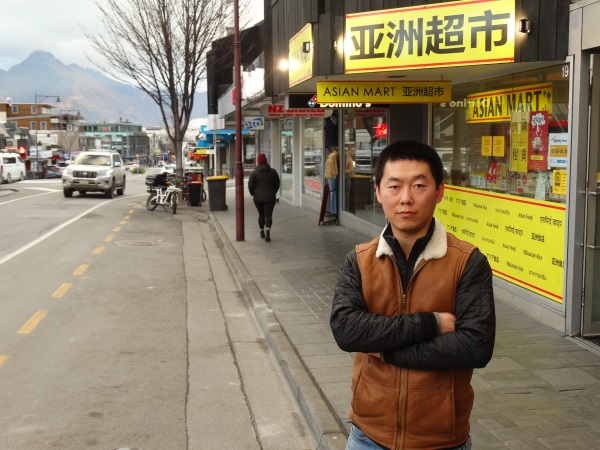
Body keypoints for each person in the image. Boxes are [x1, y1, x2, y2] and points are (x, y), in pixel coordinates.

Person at [330, 140, 496, 450]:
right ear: (378, 192)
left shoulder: (467, 262)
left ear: (439, 192)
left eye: (419, 185)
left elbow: (476, 346)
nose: (406, 198)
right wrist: (431, 324)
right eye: (394, 186)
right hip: (368, 436)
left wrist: (388, 352)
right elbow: (346, 329)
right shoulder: (360, 260)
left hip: (441, 439)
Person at [248, 153, 280, 242]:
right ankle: (268, 231)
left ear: (258, 162)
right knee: (268, 215)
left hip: (258, 198)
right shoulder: (273, 172)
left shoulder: (254, 173)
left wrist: (253, 194)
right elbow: (277, 183)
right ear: (266, 161)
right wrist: (273, 192)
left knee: (261, 215)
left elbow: (250, 186)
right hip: (270, 197)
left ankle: (262, 231)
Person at [324, 148, 339, 219]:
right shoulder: (334, 156)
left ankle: (333, 210)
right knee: (334, 193)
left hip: (329, 176)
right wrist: (336, 174)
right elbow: (335, 167)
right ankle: (335, 211)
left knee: (332, 193)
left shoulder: (329, 157)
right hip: (333, 177)